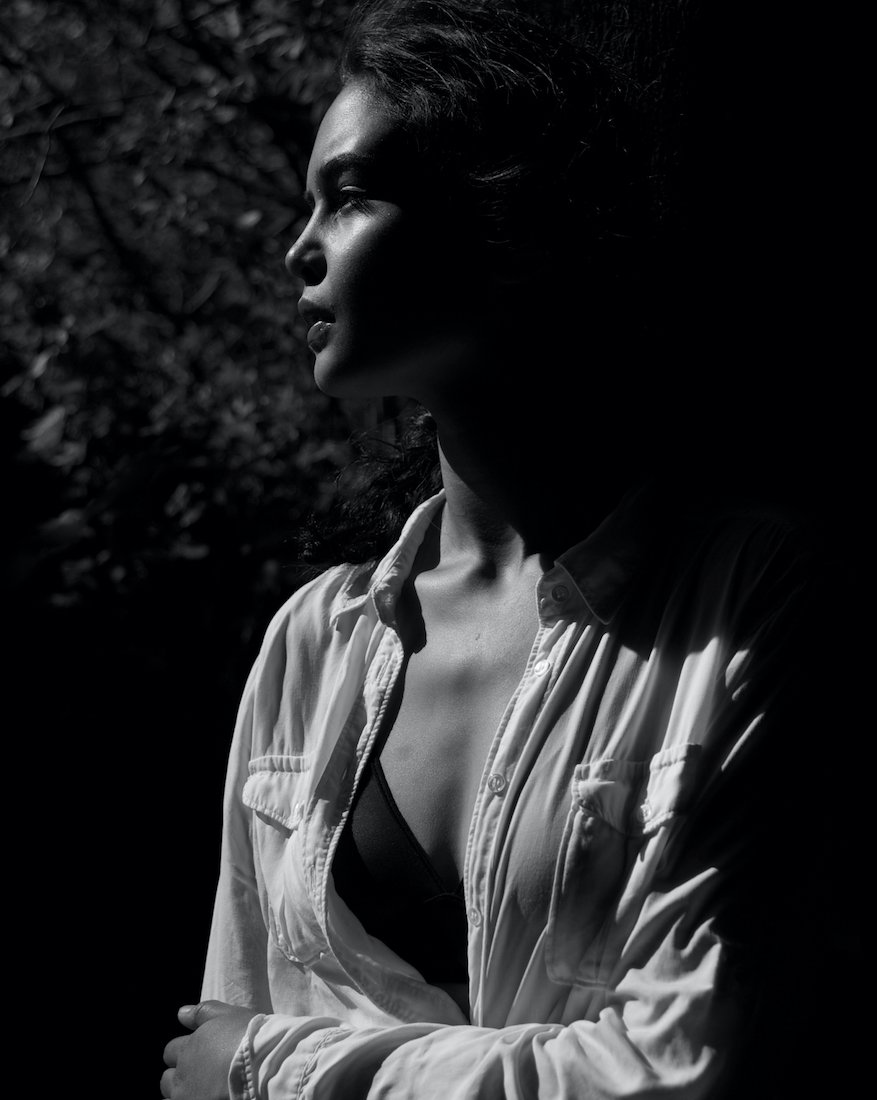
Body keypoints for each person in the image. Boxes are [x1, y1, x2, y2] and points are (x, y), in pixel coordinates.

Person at [161, 1, 832, 1097]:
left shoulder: (749, 597)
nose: (298, 247)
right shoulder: (309, 647)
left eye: (350, 194)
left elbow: (678, 1068)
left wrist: (283, 1071)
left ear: (505, 224)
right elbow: (231, 1011)